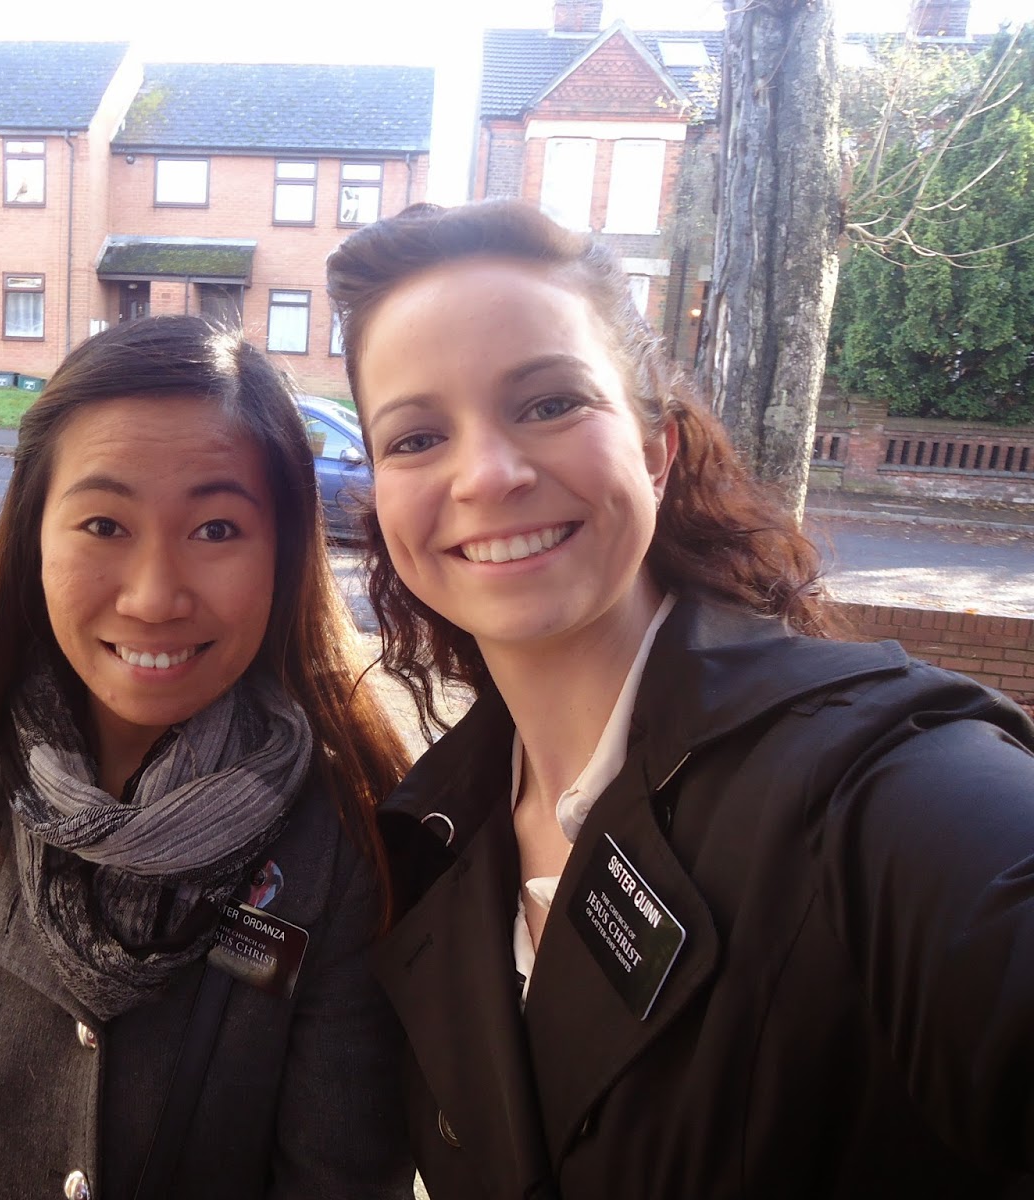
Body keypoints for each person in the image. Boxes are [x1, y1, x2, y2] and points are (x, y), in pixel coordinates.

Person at [325, 200, 1034, 1199]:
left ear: (656, 451)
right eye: (416, 438)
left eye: (548, 403)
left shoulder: (871, 778)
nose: (485, 474)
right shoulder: (430, 834)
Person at [0, 315, 414, 1200]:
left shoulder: (342, 840)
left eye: (216, 529)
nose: (154, 596)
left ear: (284, 553)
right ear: (34, 535)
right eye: (103, 523)